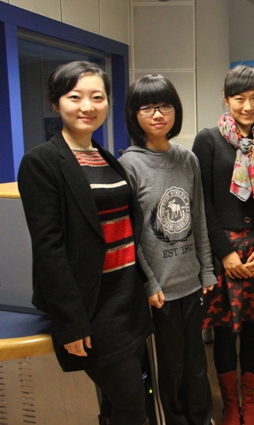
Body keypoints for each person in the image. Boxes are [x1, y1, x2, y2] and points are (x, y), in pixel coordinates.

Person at [17, 61, 153, 425]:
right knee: (132, 406)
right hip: (93, 308)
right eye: (75, 97)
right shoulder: (41, 163)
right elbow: (49, 250)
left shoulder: (106, 157)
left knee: (121, 401)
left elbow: (127, 228)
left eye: (97, 97)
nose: (87, 106)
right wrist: (71, 322)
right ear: (56, 103)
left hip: (127, 299)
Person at [193, 65, 254, 425]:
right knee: (223, 332)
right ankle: (230, 405)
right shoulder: (208, 140)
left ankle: (251, 404)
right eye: (239, 98)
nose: (248, 106)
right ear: (226, 99)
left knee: (253, 331)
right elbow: (202, 203)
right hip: (225, 252)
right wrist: (225, 253)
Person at [119, 74, 217, 425]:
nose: (158, 114)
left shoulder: (187, 159)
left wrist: (207, 269)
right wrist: (148, 282)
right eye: (147, 108)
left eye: (165, 106)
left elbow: (199, 217)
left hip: (190, 282)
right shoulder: (128, 165)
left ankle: (201, 418)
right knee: (168, 368)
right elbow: (129, 235)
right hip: (158, 292)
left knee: (196, 364)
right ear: (134, 114)